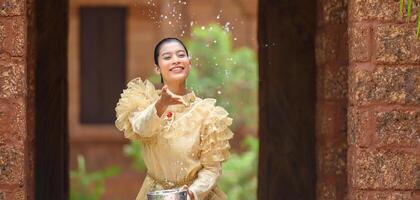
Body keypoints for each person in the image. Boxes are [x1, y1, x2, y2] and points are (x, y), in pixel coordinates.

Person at [115, 38, 234, 200]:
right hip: (155, 195)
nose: (176, 60)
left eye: (181, 55)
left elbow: (212, 169)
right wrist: (161, 105)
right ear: (157, 68)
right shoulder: (143, 102)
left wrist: (192, 193)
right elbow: (141, 128)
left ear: (189, 64)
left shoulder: (207, 114)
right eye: (167, 57)